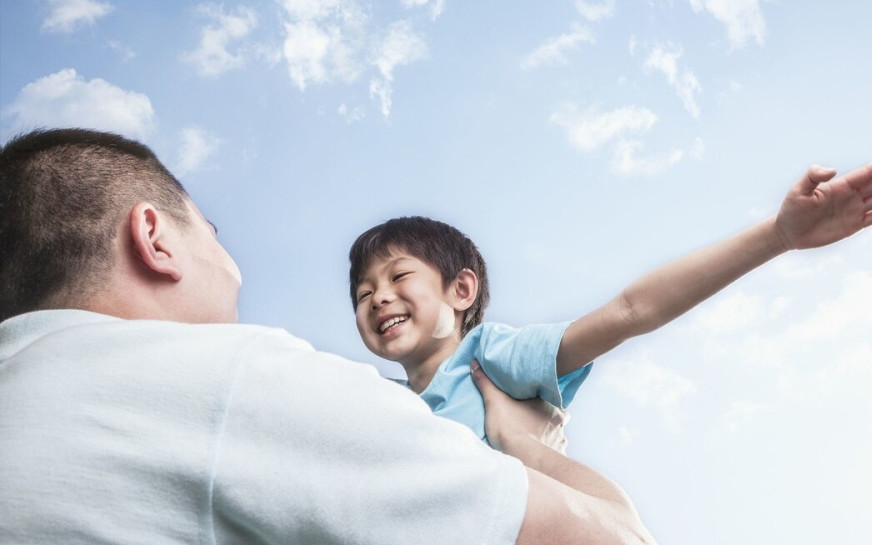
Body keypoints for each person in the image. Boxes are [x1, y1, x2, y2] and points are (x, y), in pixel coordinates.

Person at [0, 128, 654, 545]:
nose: (234, 271)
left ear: (463, 291)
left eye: (399, 278)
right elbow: (618, 539)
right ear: (154, 237)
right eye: (213, 235)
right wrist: (525, 447)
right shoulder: (239, 382)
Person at [349, 151, 872, 442]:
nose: (378, 298)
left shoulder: (487, 359)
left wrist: (777, 237)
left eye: (398, 277)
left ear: (461, 289)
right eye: (363, 291)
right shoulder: (381, 409)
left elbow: (629, 312)